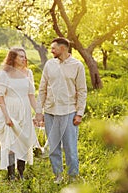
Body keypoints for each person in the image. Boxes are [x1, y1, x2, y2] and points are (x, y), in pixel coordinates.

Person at [35, 37, 87, 184]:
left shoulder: (77, 66)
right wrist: (39, 112)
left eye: (54, 48)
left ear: (63, 48)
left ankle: (73, 176)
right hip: (50, 112)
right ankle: (58, 176)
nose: (51, 51)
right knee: (53, 147)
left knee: (70, 147)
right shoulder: (49, 64)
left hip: (69, 112)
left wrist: (79, 113)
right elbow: (42, 89)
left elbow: (82, 91)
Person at [0, 47, 40, 180]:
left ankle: (21, 173)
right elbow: (0, 97)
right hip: (10, 109)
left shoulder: (28, 73)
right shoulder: (4, 74)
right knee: (11, 142)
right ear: (13, 58)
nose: (24, 59)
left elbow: (31, 95)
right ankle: (11, 174)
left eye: (24, 56)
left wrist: (38, 113)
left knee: (24, 141)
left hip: (25, 110)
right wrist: (6, 116)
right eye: (20, 56)